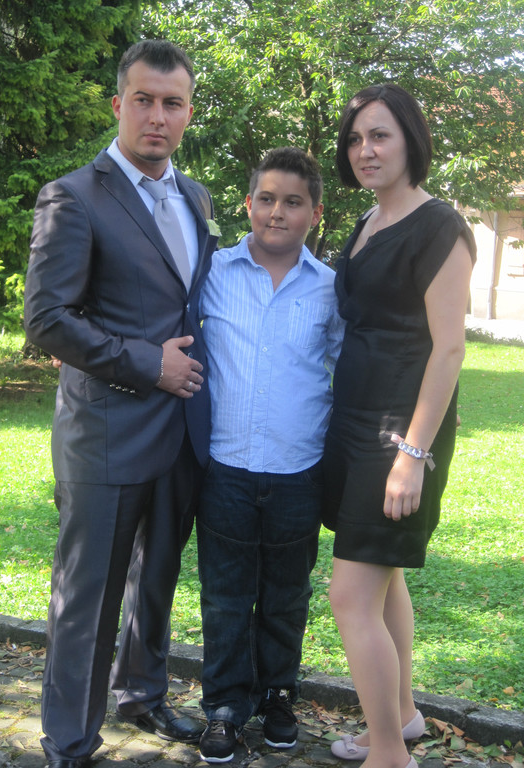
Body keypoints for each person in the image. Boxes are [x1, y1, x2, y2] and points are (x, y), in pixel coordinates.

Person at [24, 40, 219, 768]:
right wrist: (148, 363)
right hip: (106, 431)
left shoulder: (195, 197)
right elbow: (47, 318)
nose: (157, 117)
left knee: (156, 578)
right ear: (118, 105)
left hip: (182, 430)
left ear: (188, 113)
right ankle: (70, 740)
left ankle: (141, 692)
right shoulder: (72, 196)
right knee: (89, 593)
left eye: (173, 103)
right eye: (143, 100)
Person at [322, 84, 476, 768]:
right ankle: (403, 716)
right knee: (384, 581)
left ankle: (388, 754)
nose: (365, 149)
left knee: (350, 595)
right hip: (353, 422)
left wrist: (413, 454)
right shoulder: (368, 221)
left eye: (379, 135)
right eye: (356, 138)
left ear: (411, 140)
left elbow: (449, 349)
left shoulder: (440, 227)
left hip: (398, 434)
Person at [195, 147, 345, 763]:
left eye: (293, 202)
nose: (277, 212)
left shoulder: (330, 288)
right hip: (225, 468)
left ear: (315, 212)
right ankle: (225, 708)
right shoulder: (212, 272)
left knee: (286, 596)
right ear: (248, 203)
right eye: (266, 199)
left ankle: (278, 694)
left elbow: (352, 366)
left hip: (298, 472)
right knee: (225, 596)